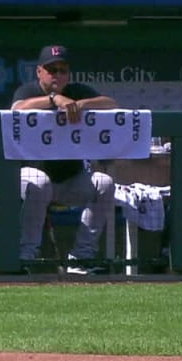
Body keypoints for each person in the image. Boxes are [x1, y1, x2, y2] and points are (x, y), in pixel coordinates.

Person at [10, 45, 116, 273]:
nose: (57, 74)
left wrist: (81, 104)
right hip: (30, 178)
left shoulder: (77, 91)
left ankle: (81, 257)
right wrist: (53, 99)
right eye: (51, 69)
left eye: (62, 70)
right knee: (39, 183)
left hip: (69, 180)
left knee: (104, 184)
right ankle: (26, 255)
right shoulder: (29, 90)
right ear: (39, 71)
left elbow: (111, 104)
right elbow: (17, 108)